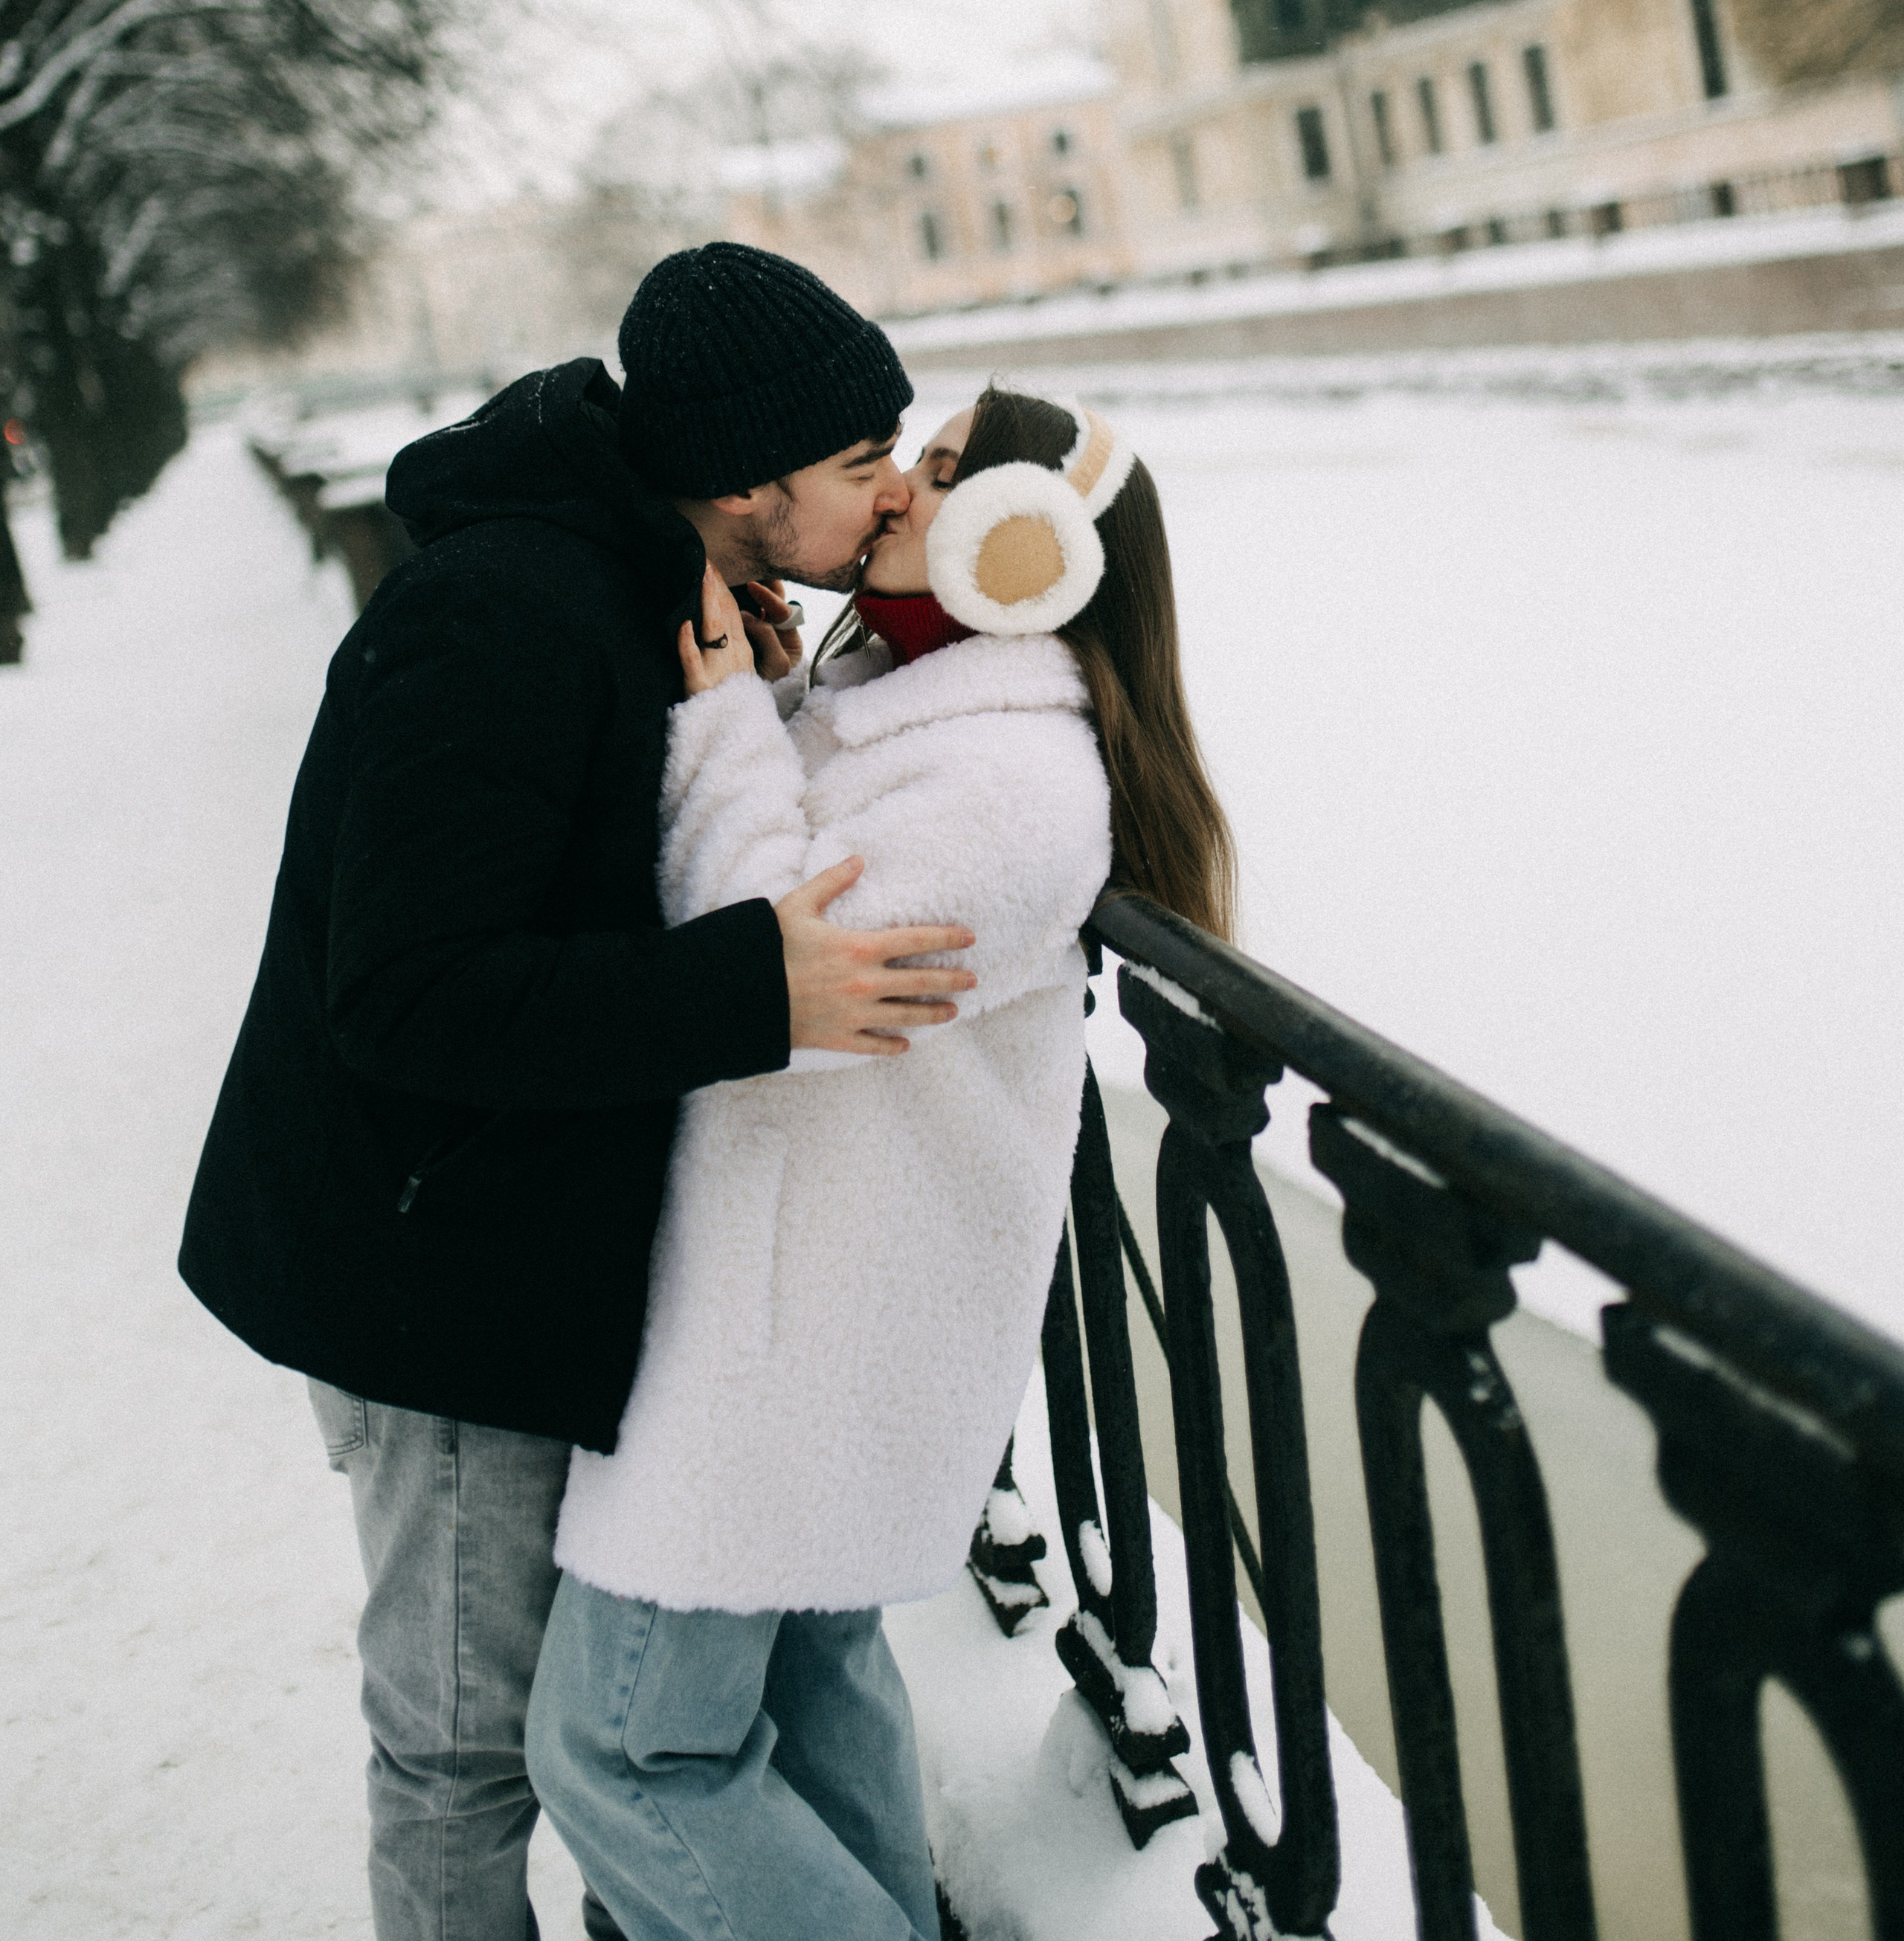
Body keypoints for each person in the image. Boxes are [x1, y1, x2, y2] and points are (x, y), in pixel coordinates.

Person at [178, 243, 980, 1941]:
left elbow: (591, 855)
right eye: (857, 465)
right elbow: (403, 992)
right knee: (466, 1747)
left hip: (536, 1253)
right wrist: (752, 987)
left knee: (635, 1711)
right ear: (746, 484)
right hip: (435, 1277)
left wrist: (751, 699)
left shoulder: (637, 588)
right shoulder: (502, 612)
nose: (892, 490)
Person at [525, 385, 1236, 1941]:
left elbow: (767, 979)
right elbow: (781, 878)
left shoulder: (1012, 785)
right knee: (804, 1686)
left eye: (937, 469)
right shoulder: (903, 702)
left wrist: (723, 725)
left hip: (799, 1338)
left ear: (1017, 543)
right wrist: (772, 709)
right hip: (792, 1302)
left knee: (620, 1752)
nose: (896, 491)